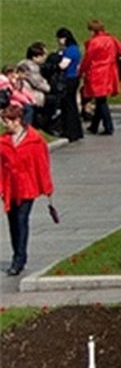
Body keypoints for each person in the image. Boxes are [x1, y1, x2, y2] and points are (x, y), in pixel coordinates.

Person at [1, 106, 54, 276]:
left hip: (27, 186)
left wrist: (46, 187)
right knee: (13, 223)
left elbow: (42, 164)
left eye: (7, 121)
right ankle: (18, 253)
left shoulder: (35, 140)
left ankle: (19, 259)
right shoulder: (3, 141)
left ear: (17, 121)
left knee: (21, 220)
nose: (4, 125)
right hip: (10, 188)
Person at [81, 20, 121, 137]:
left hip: (98, 72)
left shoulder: (94, 42)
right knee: (100, 100)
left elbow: (88, 59)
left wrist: (81, 70)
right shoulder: (111, 39)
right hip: (110, 71)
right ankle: (95, 125)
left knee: (101, 100)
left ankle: (108, 126)